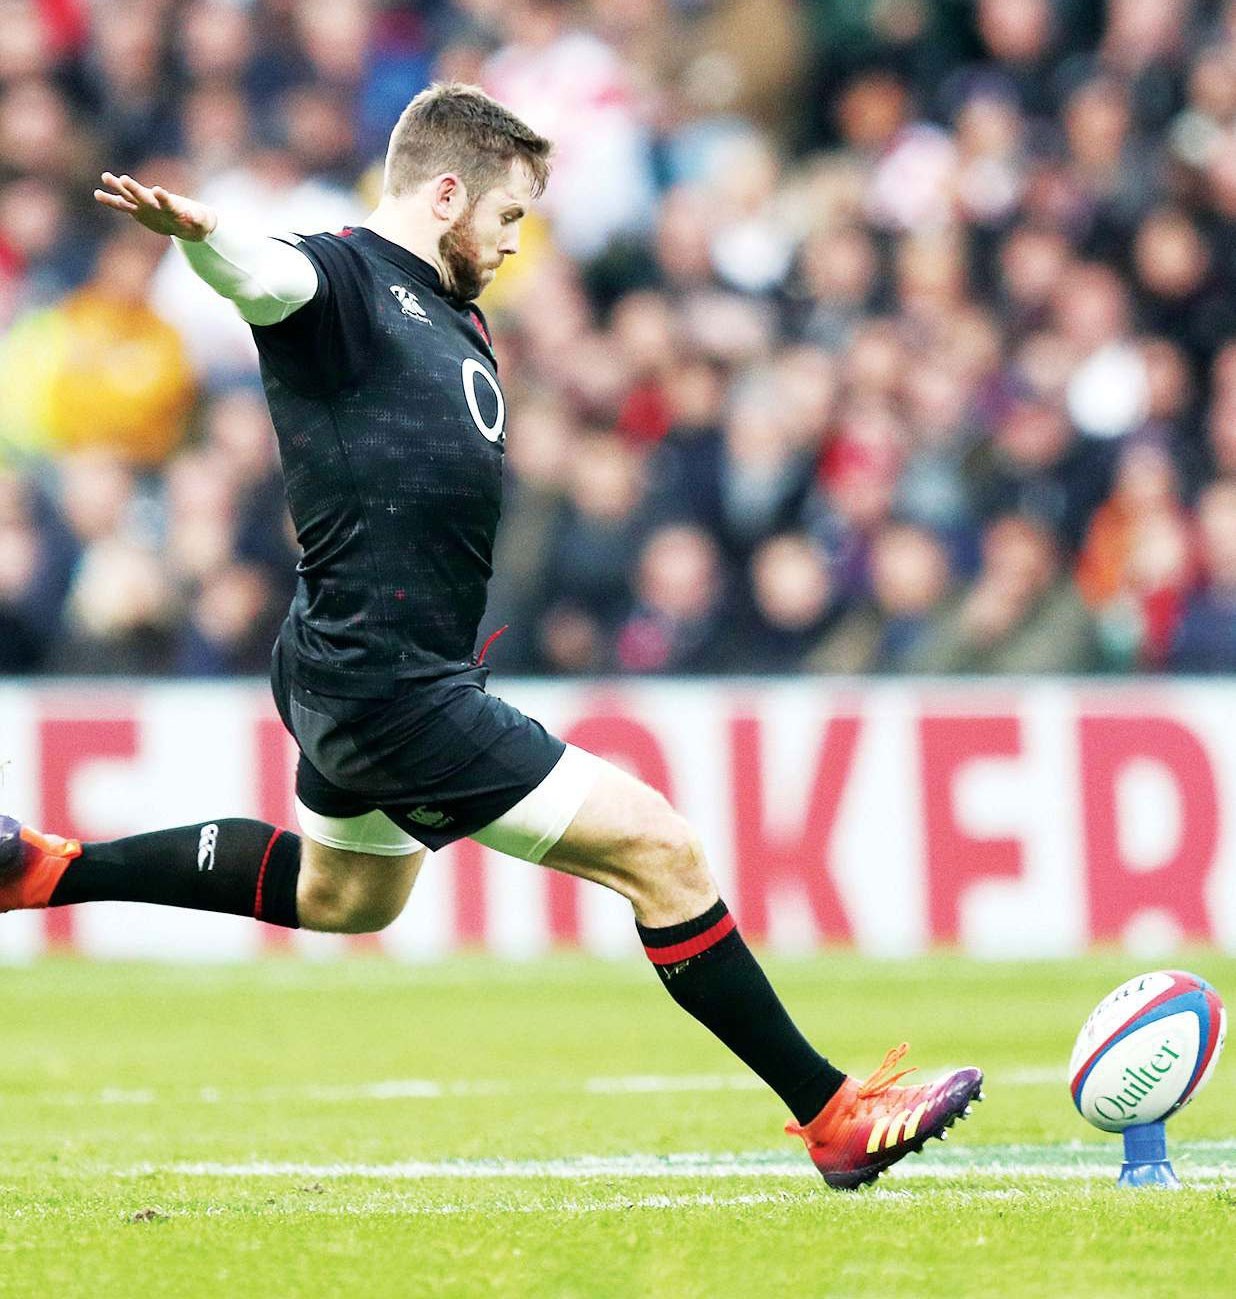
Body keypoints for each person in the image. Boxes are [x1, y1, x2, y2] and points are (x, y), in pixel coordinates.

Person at [0, 83, 980, 1189]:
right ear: (445, 193)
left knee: (346, 895)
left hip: (347, 662)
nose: (516, 242)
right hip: (389, 686)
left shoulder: (452, 315)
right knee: (660, 851)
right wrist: (207, 236)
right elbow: (268, 278)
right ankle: (832, 1113)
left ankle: (42, 870)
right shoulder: (347, 281)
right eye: (507, 216)